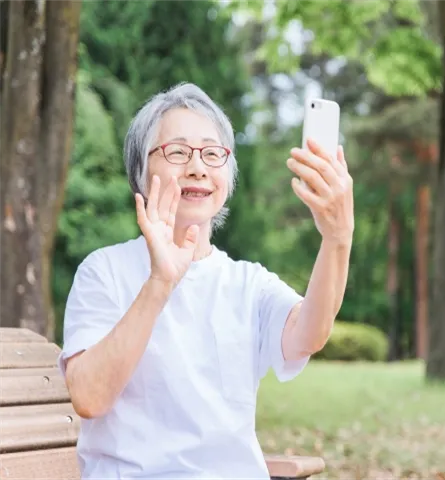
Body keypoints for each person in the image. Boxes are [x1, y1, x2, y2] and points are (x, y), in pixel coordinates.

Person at [57, 82, 354, 479]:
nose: (198, 167)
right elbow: (89, 397)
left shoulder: (248, 283)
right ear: (142, 174)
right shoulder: (104, 271)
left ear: (226, 178)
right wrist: (160, 282)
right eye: (178, 152)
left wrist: (338, 238)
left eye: (213, 154)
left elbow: (309, 333)